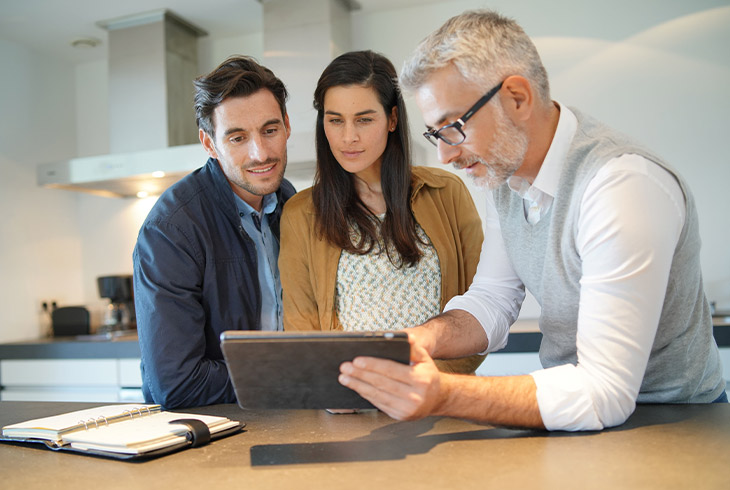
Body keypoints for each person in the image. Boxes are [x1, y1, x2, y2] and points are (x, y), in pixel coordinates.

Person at [338, 10, 726, 431]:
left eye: (451, 128)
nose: (445, 156)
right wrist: (420, 340)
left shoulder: (620, 184)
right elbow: (492, 299)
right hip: (573, 415)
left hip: (673, 425)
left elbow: (604, 391)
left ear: (517, 98)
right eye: (436, 134)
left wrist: (442, 395)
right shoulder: (506, 176)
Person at [279, 50, 485, 374]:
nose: (349, 137)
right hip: (349, 409)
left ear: (391, 119)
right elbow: (301, 334)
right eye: (335, 120)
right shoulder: (300, 215)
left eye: (364, 119)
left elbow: (481, 310)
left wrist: (427, 384)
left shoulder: (446, 193)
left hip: (439, 400)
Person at [133, 56, 296, 409]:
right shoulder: (171, 229)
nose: (260, 153)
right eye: (237, 137)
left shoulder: (291, 203)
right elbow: (177, 384)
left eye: (269, 130)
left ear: (286, 125)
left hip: (294, 414)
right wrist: (290, 376)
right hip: (215, 433)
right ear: (209, 144)